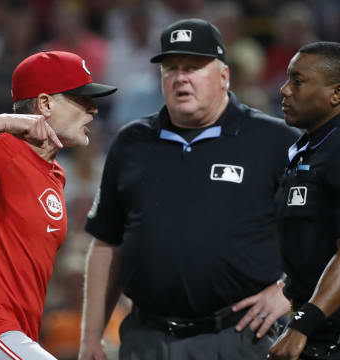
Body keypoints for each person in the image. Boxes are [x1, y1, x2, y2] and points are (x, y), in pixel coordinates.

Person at [79, 18, 298, 360]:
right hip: (145, 340)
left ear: (223, 76)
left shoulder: (276, 142)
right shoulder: (132, 142)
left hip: (238, 339)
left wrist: (289, 291)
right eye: (172, 68)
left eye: (194, 67)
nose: (181, 77)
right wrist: (91, 338)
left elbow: (325, 228)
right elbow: (108, 242)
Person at [0, 50, 116, 360]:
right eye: (81, 100)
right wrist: (3, 121)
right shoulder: (0, 149)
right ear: (44, 104)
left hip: (17, 334)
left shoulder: (56, 173)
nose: (93, 110)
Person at [268, 42, 340, 359]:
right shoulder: (308, 150)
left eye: (298, 81)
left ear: (336, 94)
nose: (284, 90)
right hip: (315, 328)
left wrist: (301, 325)